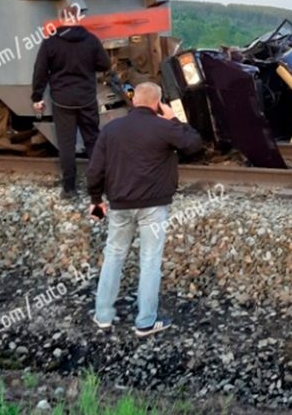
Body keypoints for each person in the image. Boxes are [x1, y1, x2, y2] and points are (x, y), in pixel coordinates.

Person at [86, 82, 204, 338]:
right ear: (157, 103)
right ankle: (145, 322)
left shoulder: (111, 129)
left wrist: (97, 199)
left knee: (114, 255)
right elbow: (195, 145)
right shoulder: (164, 127)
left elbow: (94, 169)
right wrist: (175, 120)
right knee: (150, 260)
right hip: (154, 206)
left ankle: (103, 316)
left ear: (134, 101)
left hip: (119, 205)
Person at [32, 7, 111, 199]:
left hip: (62, 100)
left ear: (60, 19)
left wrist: (37, 97)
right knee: (93, 140)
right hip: (86, 98)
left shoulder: (51, 42)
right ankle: (99, 186)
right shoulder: (91, 40)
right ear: (77, 18)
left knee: (66, 144)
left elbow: (40, 70)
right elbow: (105, 64)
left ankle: (69, 188)